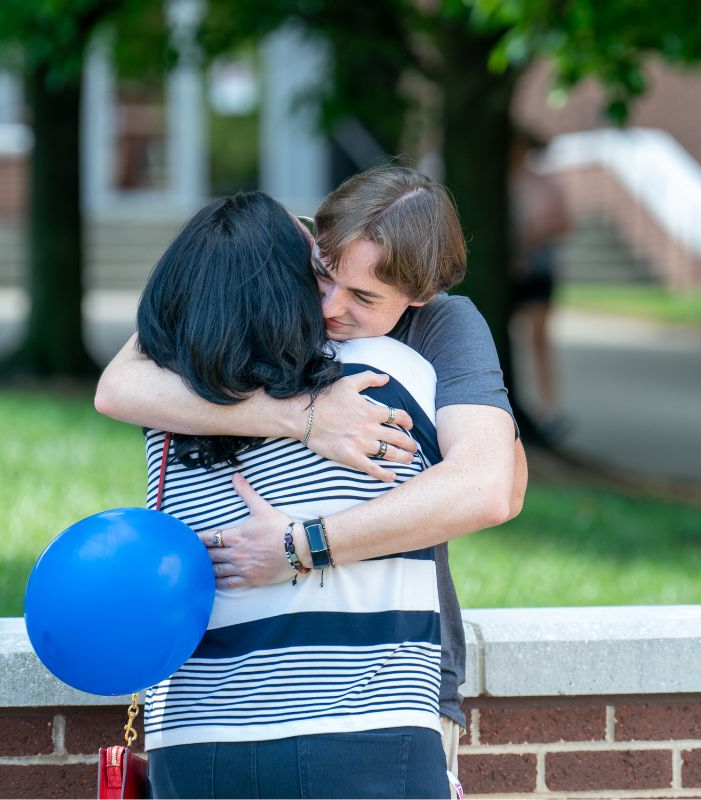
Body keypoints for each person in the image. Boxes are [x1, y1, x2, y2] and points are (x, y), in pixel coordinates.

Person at [95, 165, 526, 781]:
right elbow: (118, 385)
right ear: (312, 241)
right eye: (322, 274)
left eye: (364, 298)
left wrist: (301, 547)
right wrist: (304, 416)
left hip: (392, 691)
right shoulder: (275, 260)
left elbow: (489, 487)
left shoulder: (444, 328)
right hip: (241, 708)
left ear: (421, 292)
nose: (329, 307)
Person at [136, 191, 448, 797]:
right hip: (361, 724)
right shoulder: (388, 374)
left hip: (192, 739)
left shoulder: (165, 413)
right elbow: (480, 487)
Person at [509, 129, 572, 437]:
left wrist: (537, 232)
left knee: (539, 338)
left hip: (537, 269)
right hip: (509, 271)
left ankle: (547, 405)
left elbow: (565, 222)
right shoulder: (501, 184)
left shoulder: (542, 184)